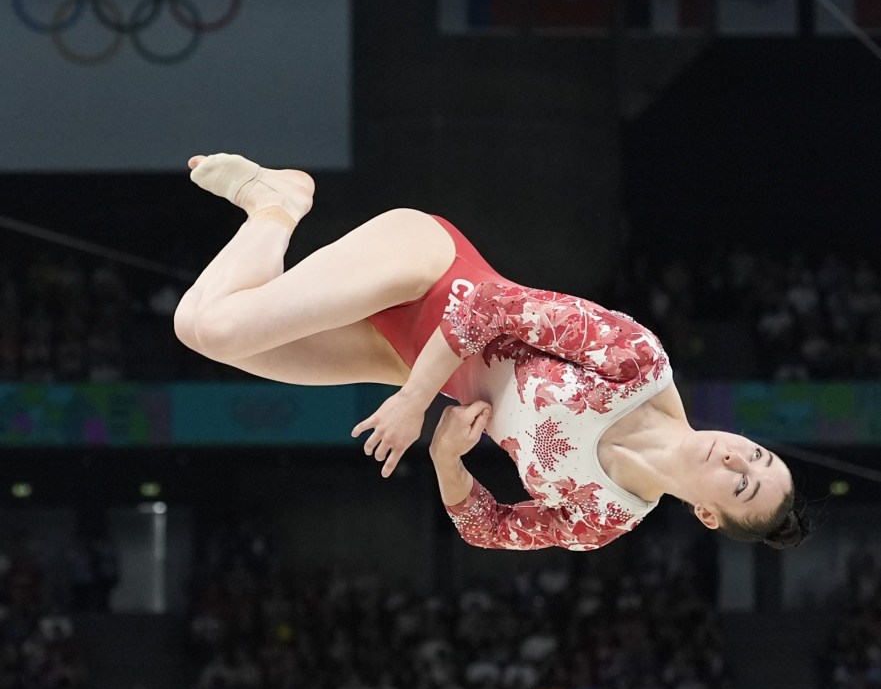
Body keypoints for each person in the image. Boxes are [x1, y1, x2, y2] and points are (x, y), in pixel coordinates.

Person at [174, 153, 811, 552]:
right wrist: (412, 403)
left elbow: (490, 528)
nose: (735, 456)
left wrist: (449, 462)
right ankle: (280, 207)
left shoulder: (604, 518)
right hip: (430, 272)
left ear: (708, 514)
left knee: (198, 332)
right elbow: (488, 310)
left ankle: (270, 204)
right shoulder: (637, 363)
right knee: (227, 330)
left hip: (402, 357)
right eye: (756, 454)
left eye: (741, 483)